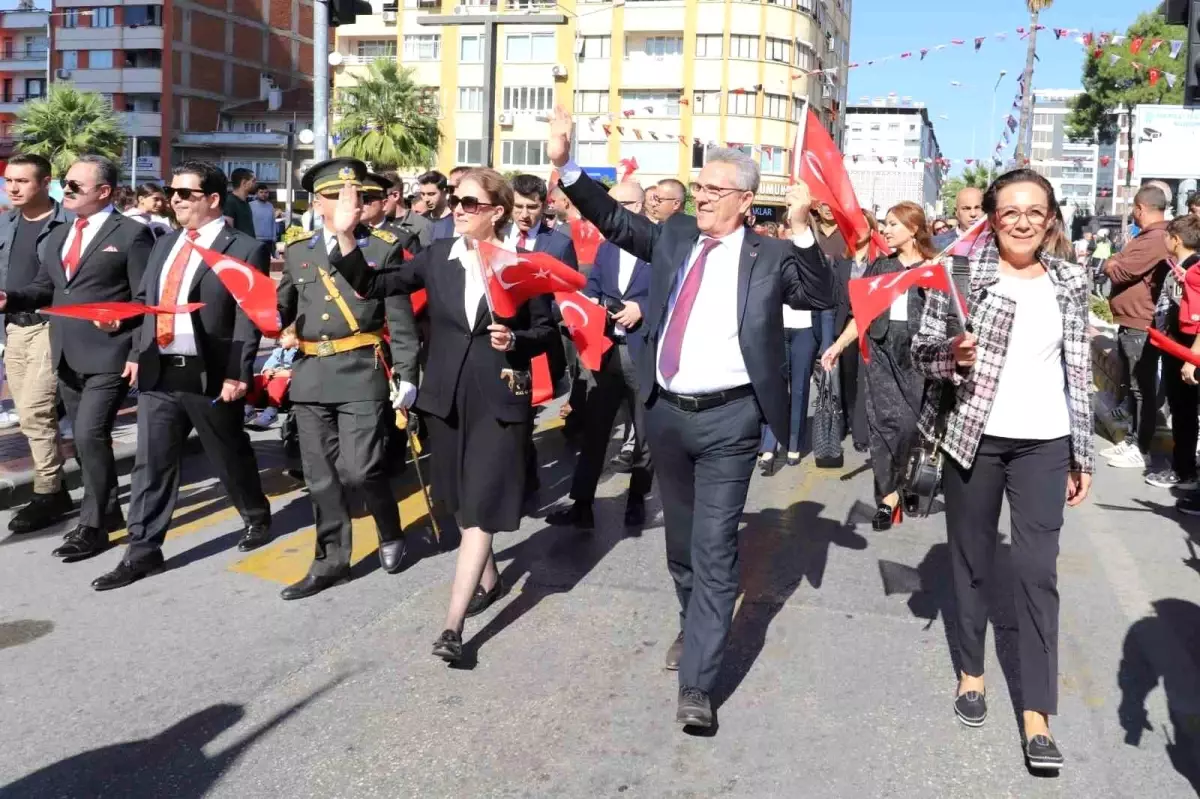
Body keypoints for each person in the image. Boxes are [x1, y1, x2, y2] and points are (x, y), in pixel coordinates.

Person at [547, 106, 834, 728]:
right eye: (698, 186)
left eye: (712, 189)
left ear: (745, 199)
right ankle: (693, 621)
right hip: (666, 414)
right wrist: (566, 165)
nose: (699, 197)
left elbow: (821, 295)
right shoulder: (674, 236)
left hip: (731, 420)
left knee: (714, 546)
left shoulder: (772, 254)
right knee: (681, 546)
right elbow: (614, 220)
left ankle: (699, 682)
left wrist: (805, 226)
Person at [326, 167, 558, 663]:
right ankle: (489, 579)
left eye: (470, 203)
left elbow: (547, 332)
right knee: (455, 499)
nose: (457, 209)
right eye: (456, 200)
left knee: (478, 507)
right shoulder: (436, 257)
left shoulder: (523, 264)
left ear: (497, 212)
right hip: (446, 398)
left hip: (499, 399)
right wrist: (345, 234)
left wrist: (516, 338)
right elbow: (371, 283)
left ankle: (452, 628)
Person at [911, 168, 1093, 773]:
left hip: (1046, 441)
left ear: (1050, 220)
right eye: (1010, 210)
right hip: (975, 436)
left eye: (1034, 212)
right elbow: (923, 353)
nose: (1021, 221)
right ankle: (971, 672)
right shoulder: (961, 275)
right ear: (992, 215)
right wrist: (951, 355)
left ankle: (1037, 715)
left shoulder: (1069, 278)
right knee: (972, 560)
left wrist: (1081, 452)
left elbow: (1079, 371)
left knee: (1038, 571)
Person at [90, 160, 276, 590]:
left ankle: (255, 513)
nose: (175, 199)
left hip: (210, 372)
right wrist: (131, 342)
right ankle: (142, 551)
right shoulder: (163, 242)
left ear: (212, 199)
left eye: (186, 193)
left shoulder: (244, 247)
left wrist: (238, 373)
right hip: (160, 368)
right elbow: (146, 301)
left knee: (228, 451)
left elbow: (249, 318)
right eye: (173, 192)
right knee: (151, 464)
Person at [274, 158, 418, 600]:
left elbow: (401, 319)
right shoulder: (298, 250)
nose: (349, 204)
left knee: (360, 470)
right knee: (319, 477)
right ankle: (330, 561)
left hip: (361, 371)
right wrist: (281, 326)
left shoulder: (383, 247)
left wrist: (408, 376)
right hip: (312, 373)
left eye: (356, 196)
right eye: (337, 196)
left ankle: (389, 528)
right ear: (318, 203)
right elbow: (284, 307)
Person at [0, 155, 154, 561]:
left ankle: (93, 526)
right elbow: (46, 287)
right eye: (64, 185)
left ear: (103, 192)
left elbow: (144, 301)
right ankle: (109, 511)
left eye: (74, 187)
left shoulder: (133, 234)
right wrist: (10, 298)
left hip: (111, 355)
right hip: (66, 352)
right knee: (84, 443)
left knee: (88, 434)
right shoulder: (59, 235)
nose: (64, 192)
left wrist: (138, 350)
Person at [546, 180, 653, 530]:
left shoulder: (660, 245)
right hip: (605, 351)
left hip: (643, 352)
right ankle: (582, 503)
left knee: (643, 431)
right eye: (614, 203)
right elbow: (592, 288)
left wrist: (643, 308)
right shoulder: (607, 249)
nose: (620, 209)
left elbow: (676, 294)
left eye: (627, 203)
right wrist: (589, 304)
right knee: (595, 430)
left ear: (643, 204)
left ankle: (637, 498)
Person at [820, 202, 932, 530]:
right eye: (884, 223)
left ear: (913, 229)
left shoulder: (934, 267)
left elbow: (953, 316)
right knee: (883, 428)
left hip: (917, 358)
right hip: (882, 355)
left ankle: (907, 484)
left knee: (911, 428)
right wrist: (838, 346)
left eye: (893, 224)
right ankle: (887, 499)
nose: (885, 229)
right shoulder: (880, 268)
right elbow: (862, 315)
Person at [0, 154, 73, 533]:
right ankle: (53, 486)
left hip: (50, 326)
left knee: (36, 412)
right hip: (13, 328)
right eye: (9, 180)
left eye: (22, 181)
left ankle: (49, 491)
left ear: (46, 183)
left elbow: (55, 284)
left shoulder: (67, 224)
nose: (13, 187)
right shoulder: (6, 222)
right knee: (29, 412)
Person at [1101, 185, 1172, 470]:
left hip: (1141, 322)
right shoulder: (1148, 237)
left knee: (1142, 388)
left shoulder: (1155, 239)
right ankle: (1132, 439)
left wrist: (1111, 262)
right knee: (1133, 386)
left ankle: (1141, 448)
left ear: (1140, 208)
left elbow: (1121, 269)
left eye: (1134, 209)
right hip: (1132, 320)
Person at [1148, 215, 1200, 494]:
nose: (1164, 240)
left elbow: (1195, 317)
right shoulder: (1183, 268)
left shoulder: (1191, 271)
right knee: (1184, 411)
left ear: (1176, 240)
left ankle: (1185, 470)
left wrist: (1190, 358)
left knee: (1184, 412)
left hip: (1185, 352)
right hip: (1178, 350)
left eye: (1167, 236)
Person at [832, 210, 880, 453]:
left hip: (872, 328)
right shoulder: (841, 261)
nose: (858, 230)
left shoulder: (881, 262)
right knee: (848, 378)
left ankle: (863, 431)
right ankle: (849, 421)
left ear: (872, 230)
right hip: (846, 326)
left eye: (863, 226)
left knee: (867, 377)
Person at [245, 326, 298, 429]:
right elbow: (270, 363)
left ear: (296, 339)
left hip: (286, 378)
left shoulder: (299, 353)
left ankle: (272, 409)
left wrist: (289, 373)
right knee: (256, 380)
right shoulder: (278, 351)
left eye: (284, 337)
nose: (280, 339)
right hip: (274, 374)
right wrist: (267, 370)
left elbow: (300, 368)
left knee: (277, 383)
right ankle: (249, 407)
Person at [381, 170, 432, 252]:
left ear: (395, 195)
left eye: (381, 196)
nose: (379, 201)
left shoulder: (421, 225)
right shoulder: (377, 222)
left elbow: (425, 260)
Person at [222, 168, 256, 237]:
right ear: (244, 183)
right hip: (239, 247)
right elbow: (228, 233)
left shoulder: (245, 202)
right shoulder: (229, 202)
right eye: (253, 181)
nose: (255, 184)